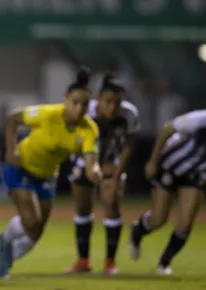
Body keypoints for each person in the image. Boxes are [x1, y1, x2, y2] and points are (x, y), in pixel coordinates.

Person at [0, 67, 101, 279]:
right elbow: (13, 118)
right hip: (21, 166)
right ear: (66, 99)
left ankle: (6, 258)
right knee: (32, 219)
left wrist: (95, 171)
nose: (79, 109)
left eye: (85, 105)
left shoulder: (89, 129)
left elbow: (91, 162)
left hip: (47, 175)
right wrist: (11, 150)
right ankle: (6, 239)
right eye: (75, 102)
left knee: (37, 231)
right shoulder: (49, 114)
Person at [66, 74, 140, 275]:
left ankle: (110, 262)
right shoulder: (85, 110)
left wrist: (117, 172)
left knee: (111, 200)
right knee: (82, 206)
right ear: (98, 99)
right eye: (108, 101)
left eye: (117, 102)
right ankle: (83, 260)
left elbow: (128, 145)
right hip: (84, 159)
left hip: (112, 162)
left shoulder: (129, 114)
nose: (113, 107)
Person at [130, 110, 206, 275]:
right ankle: (137, 231)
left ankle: (164, 263)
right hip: (170, 165)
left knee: (186, 222)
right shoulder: (202, 118)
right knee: (159, 218)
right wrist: (153, 161)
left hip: (196, 175)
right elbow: (167, 129)